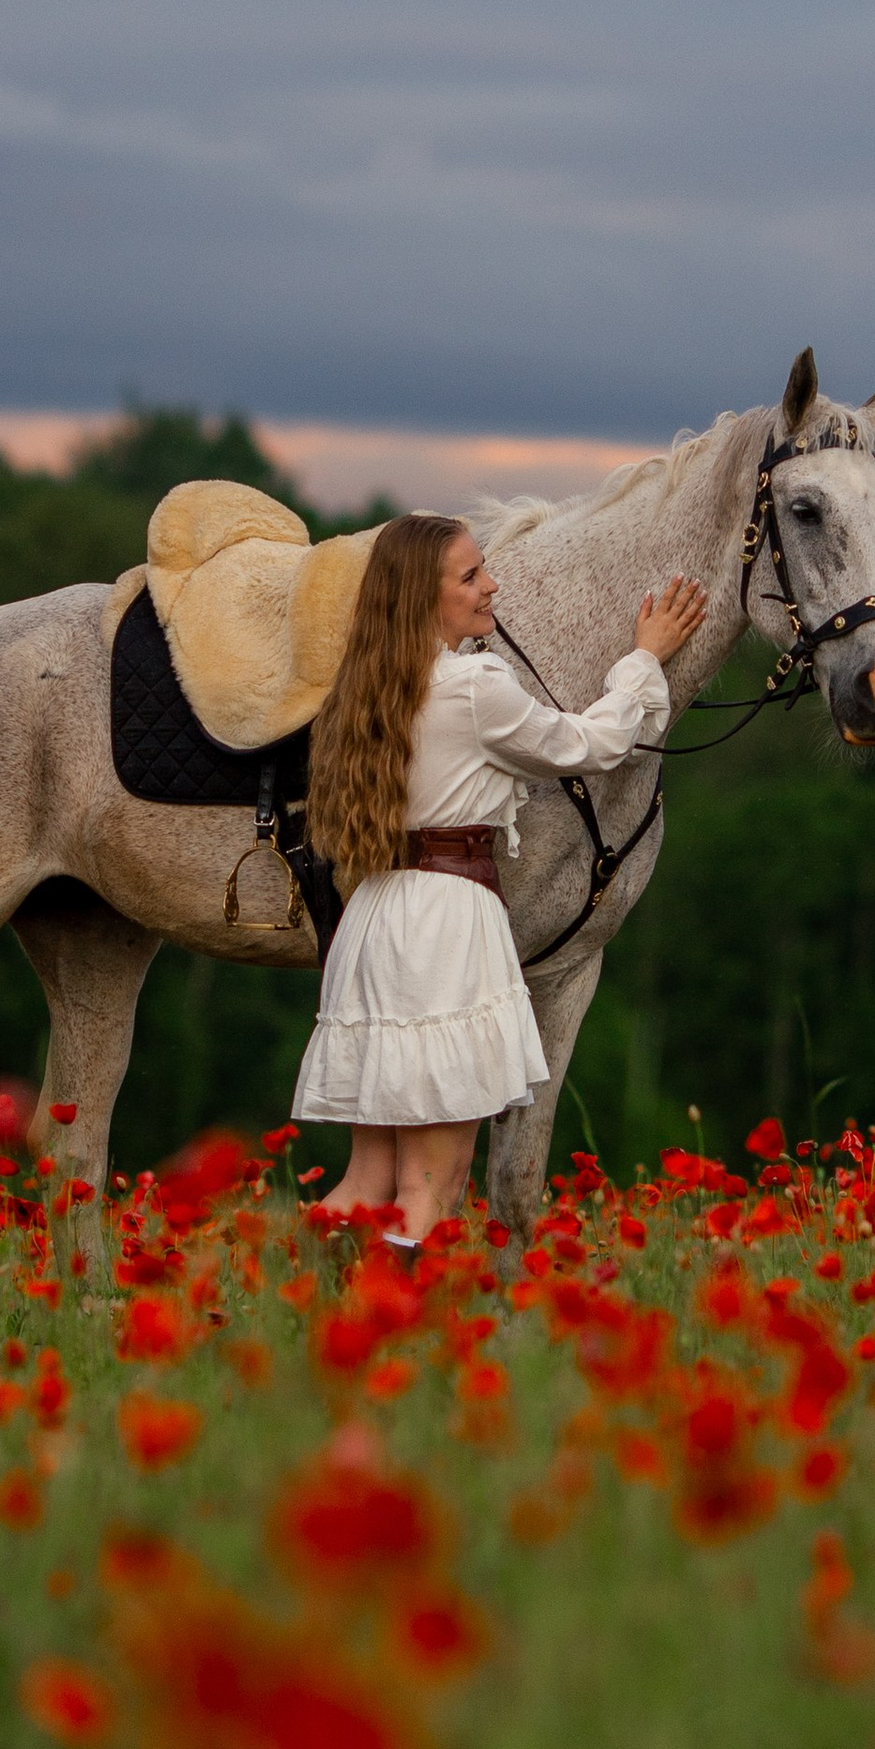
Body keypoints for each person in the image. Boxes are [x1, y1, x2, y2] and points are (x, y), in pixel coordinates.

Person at [294, 512, 708, 1243]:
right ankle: (394, 1343)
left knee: (368, 1181)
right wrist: (643, 659)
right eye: (471, 575)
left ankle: (275, 1314)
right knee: (435, 1182)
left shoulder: (366, 684)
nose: (493, 585)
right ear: (425, 596)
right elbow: (590, 743)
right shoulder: (474, 686)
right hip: (446, 927)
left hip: (376, 919)